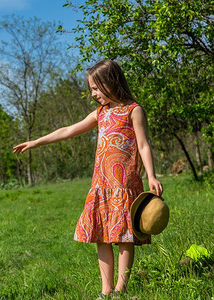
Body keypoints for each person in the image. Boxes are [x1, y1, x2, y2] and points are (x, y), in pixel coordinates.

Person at [13, 59, 163, 299]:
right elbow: (68, 130)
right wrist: (36, 141)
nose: (93, 94)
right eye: (91, 89)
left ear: (111, 82)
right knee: (101, 236)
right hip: (101, 185)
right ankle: (106, 291)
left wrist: (152, 175)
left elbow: (144, 145)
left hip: (125, 185)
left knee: (125, 237)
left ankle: (120, 290)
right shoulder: (100, 114)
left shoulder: (133, 110)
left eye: (96, 88)